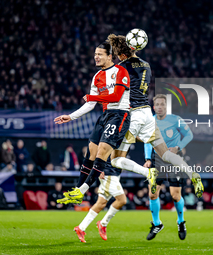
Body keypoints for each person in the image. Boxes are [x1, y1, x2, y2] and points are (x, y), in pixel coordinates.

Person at [62, 34, 203, 205]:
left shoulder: (121, 68)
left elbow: (118, 92)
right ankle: (191, 173)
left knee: (114, 159)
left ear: (121, 54)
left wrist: (94, 97)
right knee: (165, 153)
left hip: (132, 114)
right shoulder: (147, 65)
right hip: (147, 113)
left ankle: (146, 173)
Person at [54, 42, 132, 213]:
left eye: (100, 54)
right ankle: (78, 190)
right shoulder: (97, 76)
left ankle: (82, 191)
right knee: (91, 150)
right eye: (95, 54)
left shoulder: (121, 71)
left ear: (110, 56)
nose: (96, 57)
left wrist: (92, 96)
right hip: (105, 115)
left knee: (103, 150)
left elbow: (117, 96)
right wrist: (71, 116)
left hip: (120, 114)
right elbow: (90, 104)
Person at [143, 94, 194, 241]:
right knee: (152, 193)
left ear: (166, 106)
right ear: (154, 107)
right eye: (157, 104)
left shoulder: (175, 119)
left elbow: (189, 135)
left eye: (162, 104)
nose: (160, 107)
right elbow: (148, 141)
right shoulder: (149, 122)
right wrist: (147, 158)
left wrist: (178, 147)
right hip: (156, 158)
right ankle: (157, 223)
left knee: (175, 195)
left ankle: (181, 221)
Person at [73, 159, 127, 243]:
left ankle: (81, 228)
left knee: (101, 203)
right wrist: (99, 168)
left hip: (114, 173)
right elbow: (99, 150)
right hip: (109, 173)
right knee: (122, 200)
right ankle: (103, 223)